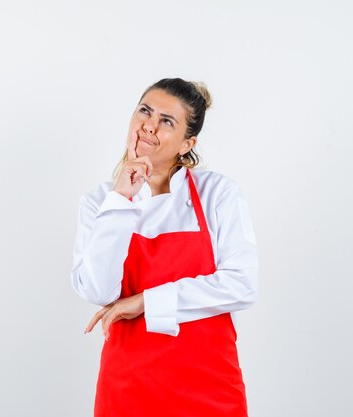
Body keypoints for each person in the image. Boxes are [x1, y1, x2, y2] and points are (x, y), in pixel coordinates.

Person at [70, 78, 259, 416]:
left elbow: (242, 285)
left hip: (209, 387)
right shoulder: (101, 200)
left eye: (166, 121)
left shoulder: (218, 193)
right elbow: (97, 289)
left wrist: (146, 301)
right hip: (127, 386)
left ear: (188, 143)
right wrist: (121, 199)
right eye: (145, 111)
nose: (149, 125)